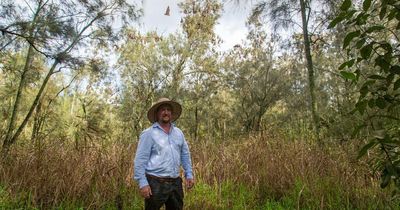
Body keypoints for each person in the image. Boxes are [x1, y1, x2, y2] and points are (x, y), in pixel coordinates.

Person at [134, 97, 195, 210]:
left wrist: (189, 174)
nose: (166, 112)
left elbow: (185, 154)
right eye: (162, 109)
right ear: (157, 114)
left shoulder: (178, 133)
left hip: (176, 183)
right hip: (155, 183)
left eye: (168, 109)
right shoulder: (149, 134)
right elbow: (140, 160)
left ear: (171, 113)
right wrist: (143, 183)